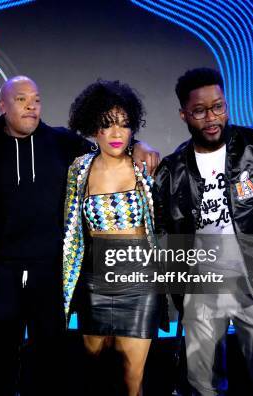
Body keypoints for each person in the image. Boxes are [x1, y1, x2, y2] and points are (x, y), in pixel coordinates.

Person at [0, 75, 161, 395]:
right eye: (22, 100)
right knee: (2, 361)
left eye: (36, 99)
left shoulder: (63, 142)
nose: (31, 106)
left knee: (58, 363)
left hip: (58, 275)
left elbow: (114, 146)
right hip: (7, 273)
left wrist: (139, 144)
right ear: (2, 104)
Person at [153, 68, 253, 395]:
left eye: (219, 107)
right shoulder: (172, 170)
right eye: (199, 111)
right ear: (184, 114)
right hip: (202, 283)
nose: (211, 118)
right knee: (200, 385)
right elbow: (160, 231)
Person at [62, 80, 167, 396]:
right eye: (108, 125)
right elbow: (71, 231)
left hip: (140, 283)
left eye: (124, 125)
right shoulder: (79, 169)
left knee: (131, 380)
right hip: (97, 284)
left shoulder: (143, 167)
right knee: (94, 378)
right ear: (94, 128)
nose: (118, 134)